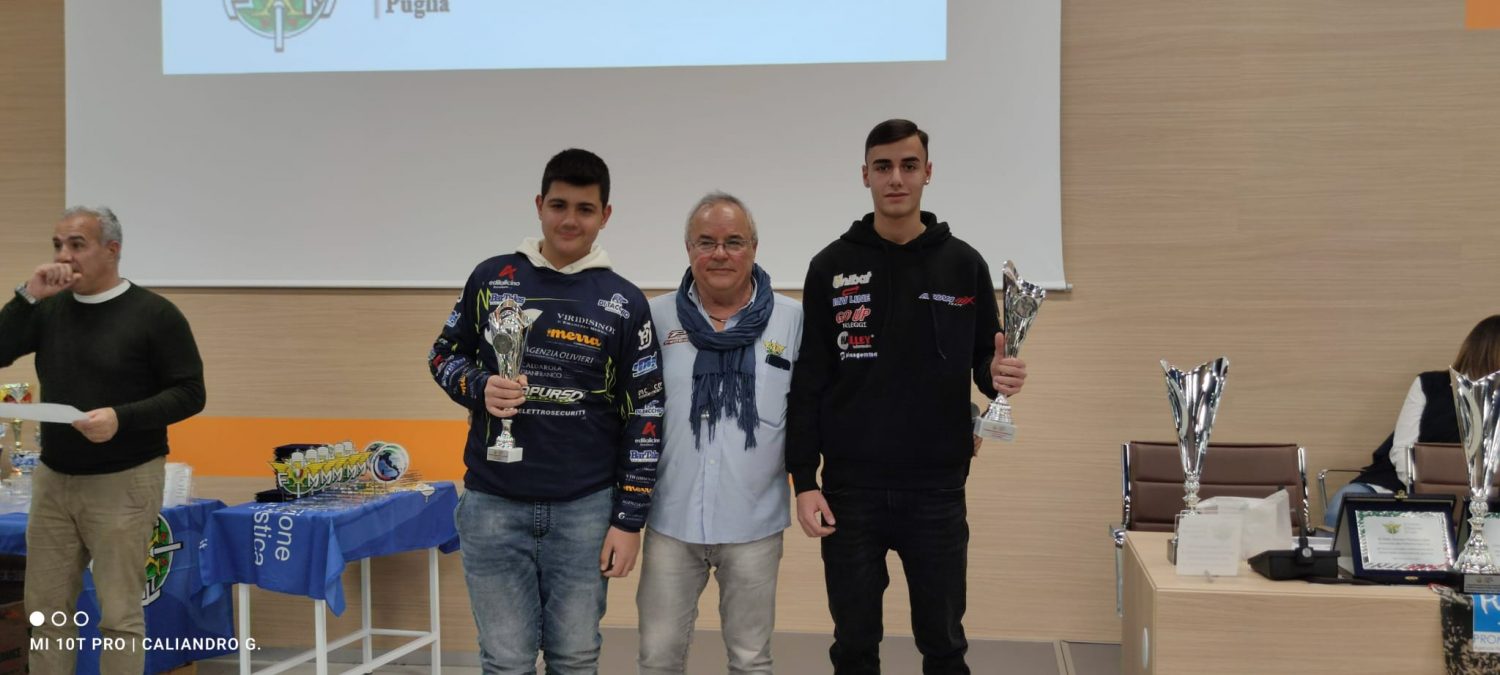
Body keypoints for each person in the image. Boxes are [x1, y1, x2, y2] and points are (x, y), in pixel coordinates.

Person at [786, 119, 1028, 674]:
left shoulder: (963, 264)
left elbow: (984, 365)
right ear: (865, 175)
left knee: (943, 645)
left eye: (908, 166)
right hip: (850, 492)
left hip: (937, 489)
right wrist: (804, 480)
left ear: (927, 173)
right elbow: (810, 381)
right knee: (853, 647)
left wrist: (998, 375)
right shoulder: (830, 266)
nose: (896, 178)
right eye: (884, 167)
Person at [428, 148, 664, 674]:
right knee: (505, 661)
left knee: (575, 658)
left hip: (586, 510)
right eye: (559, 205)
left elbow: (646, 414)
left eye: (585, 208)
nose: (569, 220)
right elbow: (442, 355)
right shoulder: (492, 278)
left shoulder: (625, 302)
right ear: (539, 205)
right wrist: (478, 386)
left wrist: (629, 520)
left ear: (605, 215)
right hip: (493, 504)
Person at [0, 206, 206, 674]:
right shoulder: (48, 309)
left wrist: (121, 418)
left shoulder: (155, 314)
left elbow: (190, 392)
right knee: (45, 612)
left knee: (119, 614)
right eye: (58, 245)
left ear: (112, 250)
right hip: (54, 480)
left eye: (77, 244)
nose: (64, 256)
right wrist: (28, 295)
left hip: (124, 480)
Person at [636, 193, 802, 675]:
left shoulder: (791, 320)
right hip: (670, 520)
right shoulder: (654, 317)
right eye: (706, 242)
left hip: (755, 525)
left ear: (754, 247)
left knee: (751, 660)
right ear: (689, 249)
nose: (720, 254)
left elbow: (822, 408)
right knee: (657, 658)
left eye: (734, 241)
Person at [1323, 315, 1500, 529]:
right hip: (1402, 485)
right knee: (1339, 509)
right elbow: (1402, 451)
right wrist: (1425, 492)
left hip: (1486, 498)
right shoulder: (1430, 385)